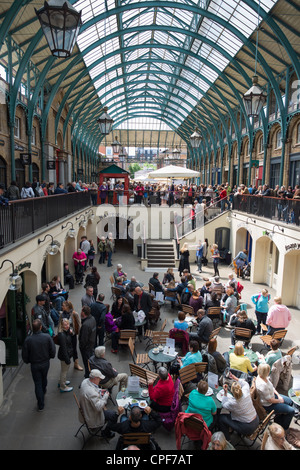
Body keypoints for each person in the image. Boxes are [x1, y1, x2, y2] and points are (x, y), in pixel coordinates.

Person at [22, 319, 56, 411]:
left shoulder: (28, 340)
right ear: (40, 327)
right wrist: (50, 356)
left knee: (37, 383)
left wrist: (28, 361)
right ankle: (43, 390)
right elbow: (52, 350)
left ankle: (40, 404)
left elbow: (25, 355)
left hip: (35, 364)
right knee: (43, 378)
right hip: (45, 362)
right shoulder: (47, 337)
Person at [218, 373, 259, 440]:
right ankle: (232, 429)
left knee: (222, 418)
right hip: (256, 420)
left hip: (247, 427)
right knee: (234, 412)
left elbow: (223, 404)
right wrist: (235, 378)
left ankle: (227, 440)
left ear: (232, 392)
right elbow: (245, 383)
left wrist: (225, 393)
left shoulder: (233, 403)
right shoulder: (246, 391)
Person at [79, 369, 118, 438]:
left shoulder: (85, 381)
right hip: (91, 415)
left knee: (107, 410)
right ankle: (106, 433)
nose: (100, 380)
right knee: (114, 415)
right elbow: (99, 407)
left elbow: (94, 388)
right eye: (99, 379)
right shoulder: (91, 392)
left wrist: (100, 390)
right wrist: (105, 397)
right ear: (95, 378)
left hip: (86, 408)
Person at [256, 364, 295, 430]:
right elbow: (269, 400)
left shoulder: (264, 377)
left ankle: (278, 420)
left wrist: (279, 396)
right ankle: (284, 428)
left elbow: (272, 388)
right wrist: (279, 400)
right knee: (291, 411)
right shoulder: (262, 385)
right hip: (269, 405)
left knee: (290, 402)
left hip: (273, 397)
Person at [60, 300, 83, 371]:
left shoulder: (74, 314)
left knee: (74, 349)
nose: (62, 307)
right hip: (64, 335)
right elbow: (60, 325)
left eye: (63, 305)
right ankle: (66, 363)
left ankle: (76, 364)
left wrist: (77, 334)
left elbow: (79, 325)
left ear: (67, 306)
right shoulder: (61, 314)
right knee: (65, 349)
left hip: (72, 335)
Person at [79, 306, 97, 378]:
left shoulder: (86, 325)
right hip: (91, 345)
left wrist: (81, 347)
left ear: (83, 313)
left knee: (87, 365)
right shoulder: (92, 319)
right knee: (90, 363)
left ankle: (88, 377)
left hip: (86, 348)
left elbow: (83, 339)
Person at [57, 318, 74, 393]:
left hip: (66, 355)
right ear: (62, 325)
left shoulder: (65, 332)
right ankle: (63, 386)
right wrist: (67, 359)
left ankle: (61, 381)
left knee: (64, 370)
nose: (67, 326)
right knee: (64, 371)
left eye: (68, 324)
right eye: (65, 325)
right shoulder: (62, 335)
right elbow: (64, 348)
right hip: (64, 356)